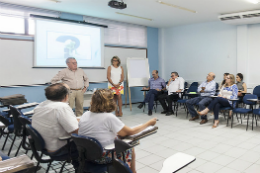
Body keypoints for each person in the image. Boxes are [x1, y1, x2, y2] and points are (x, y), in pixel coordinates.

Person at [78, 89, 157, 173]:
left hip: (87, 155)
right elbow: (130, 132)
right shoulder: (108, 117)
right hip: (102, 157)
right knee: (129, 145)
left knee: (121, 138)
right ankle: (132, 171)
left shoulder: (85, 114)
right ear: (109, 102)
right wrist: (148, 123)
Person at [32, 83, 79, 169]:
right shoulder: (61, 107)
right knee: (91, 143)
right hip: (59, 149)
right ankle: (81, 168)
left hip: (43, 146)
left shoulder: (41, 105)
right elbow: (75, 131)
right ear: (66, 96)